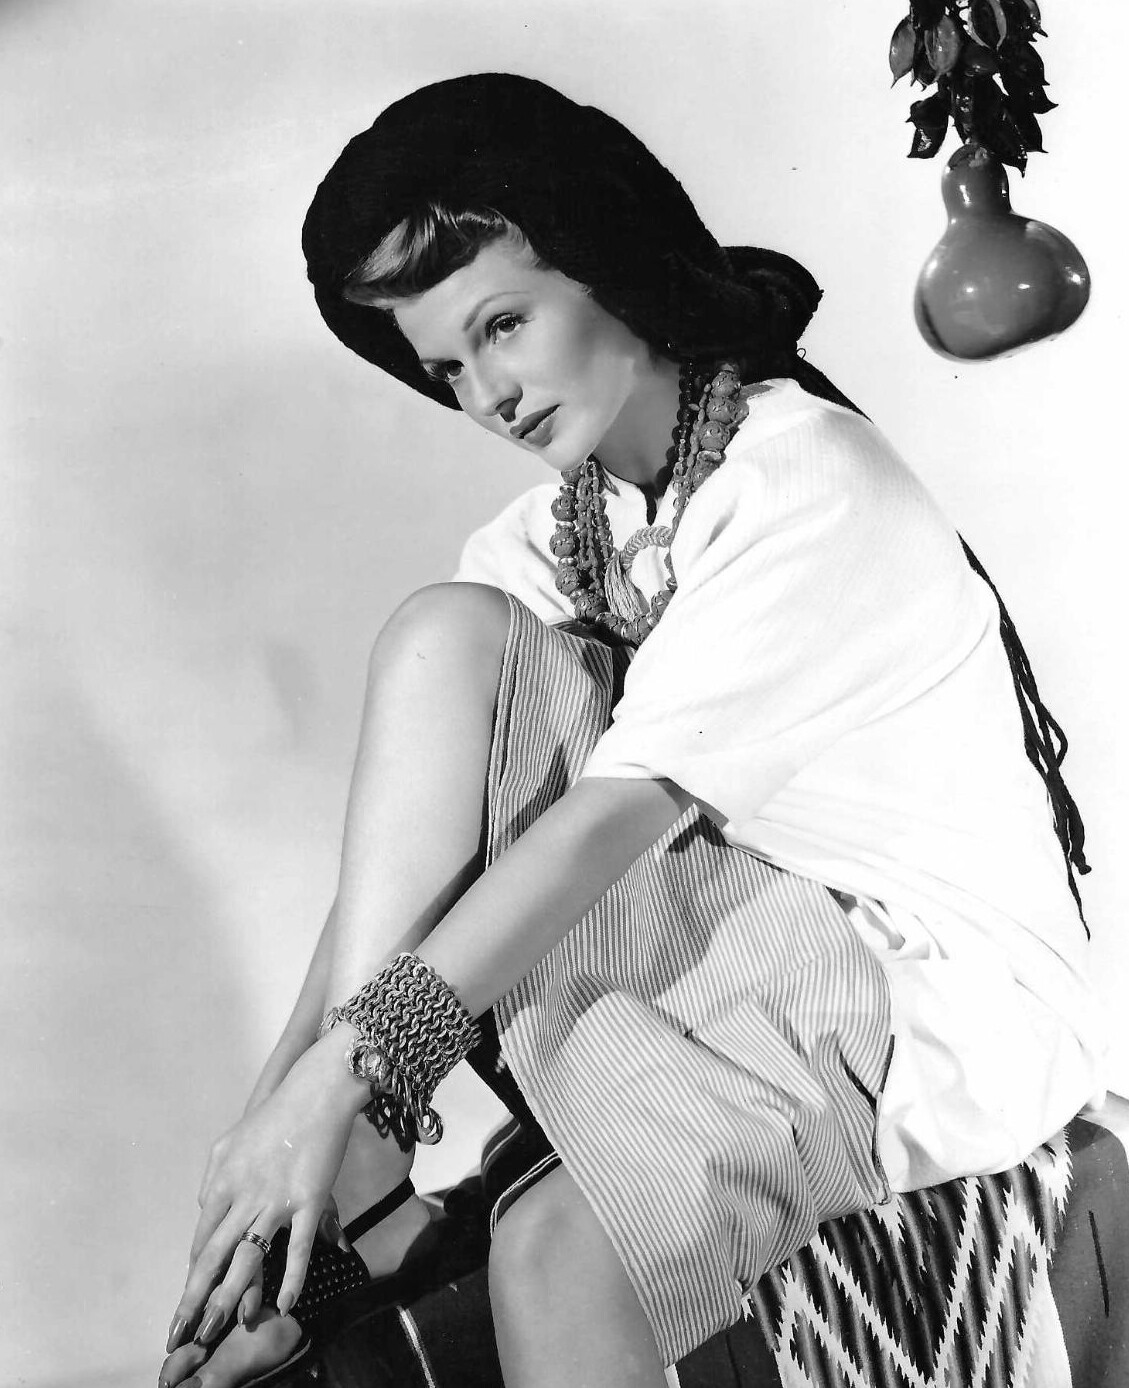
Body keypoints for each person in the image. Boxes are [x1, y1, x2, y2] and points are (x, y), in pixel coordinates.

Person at [157, 73, 1106, 1388]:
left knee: (557, 1248)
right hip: (736, 941)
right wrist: (276, 1128)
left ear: (605, 262)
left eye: (503, 325)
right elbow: (413, 848)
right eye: (447, 366)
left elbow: (610, 822)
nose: (487, 393)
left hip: (917, 988)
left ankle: (364, 1140)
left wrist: (350, 1071)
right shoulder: (559, 533)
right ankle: (362, 1171)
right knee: (446, 639)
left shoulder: (802, 479)